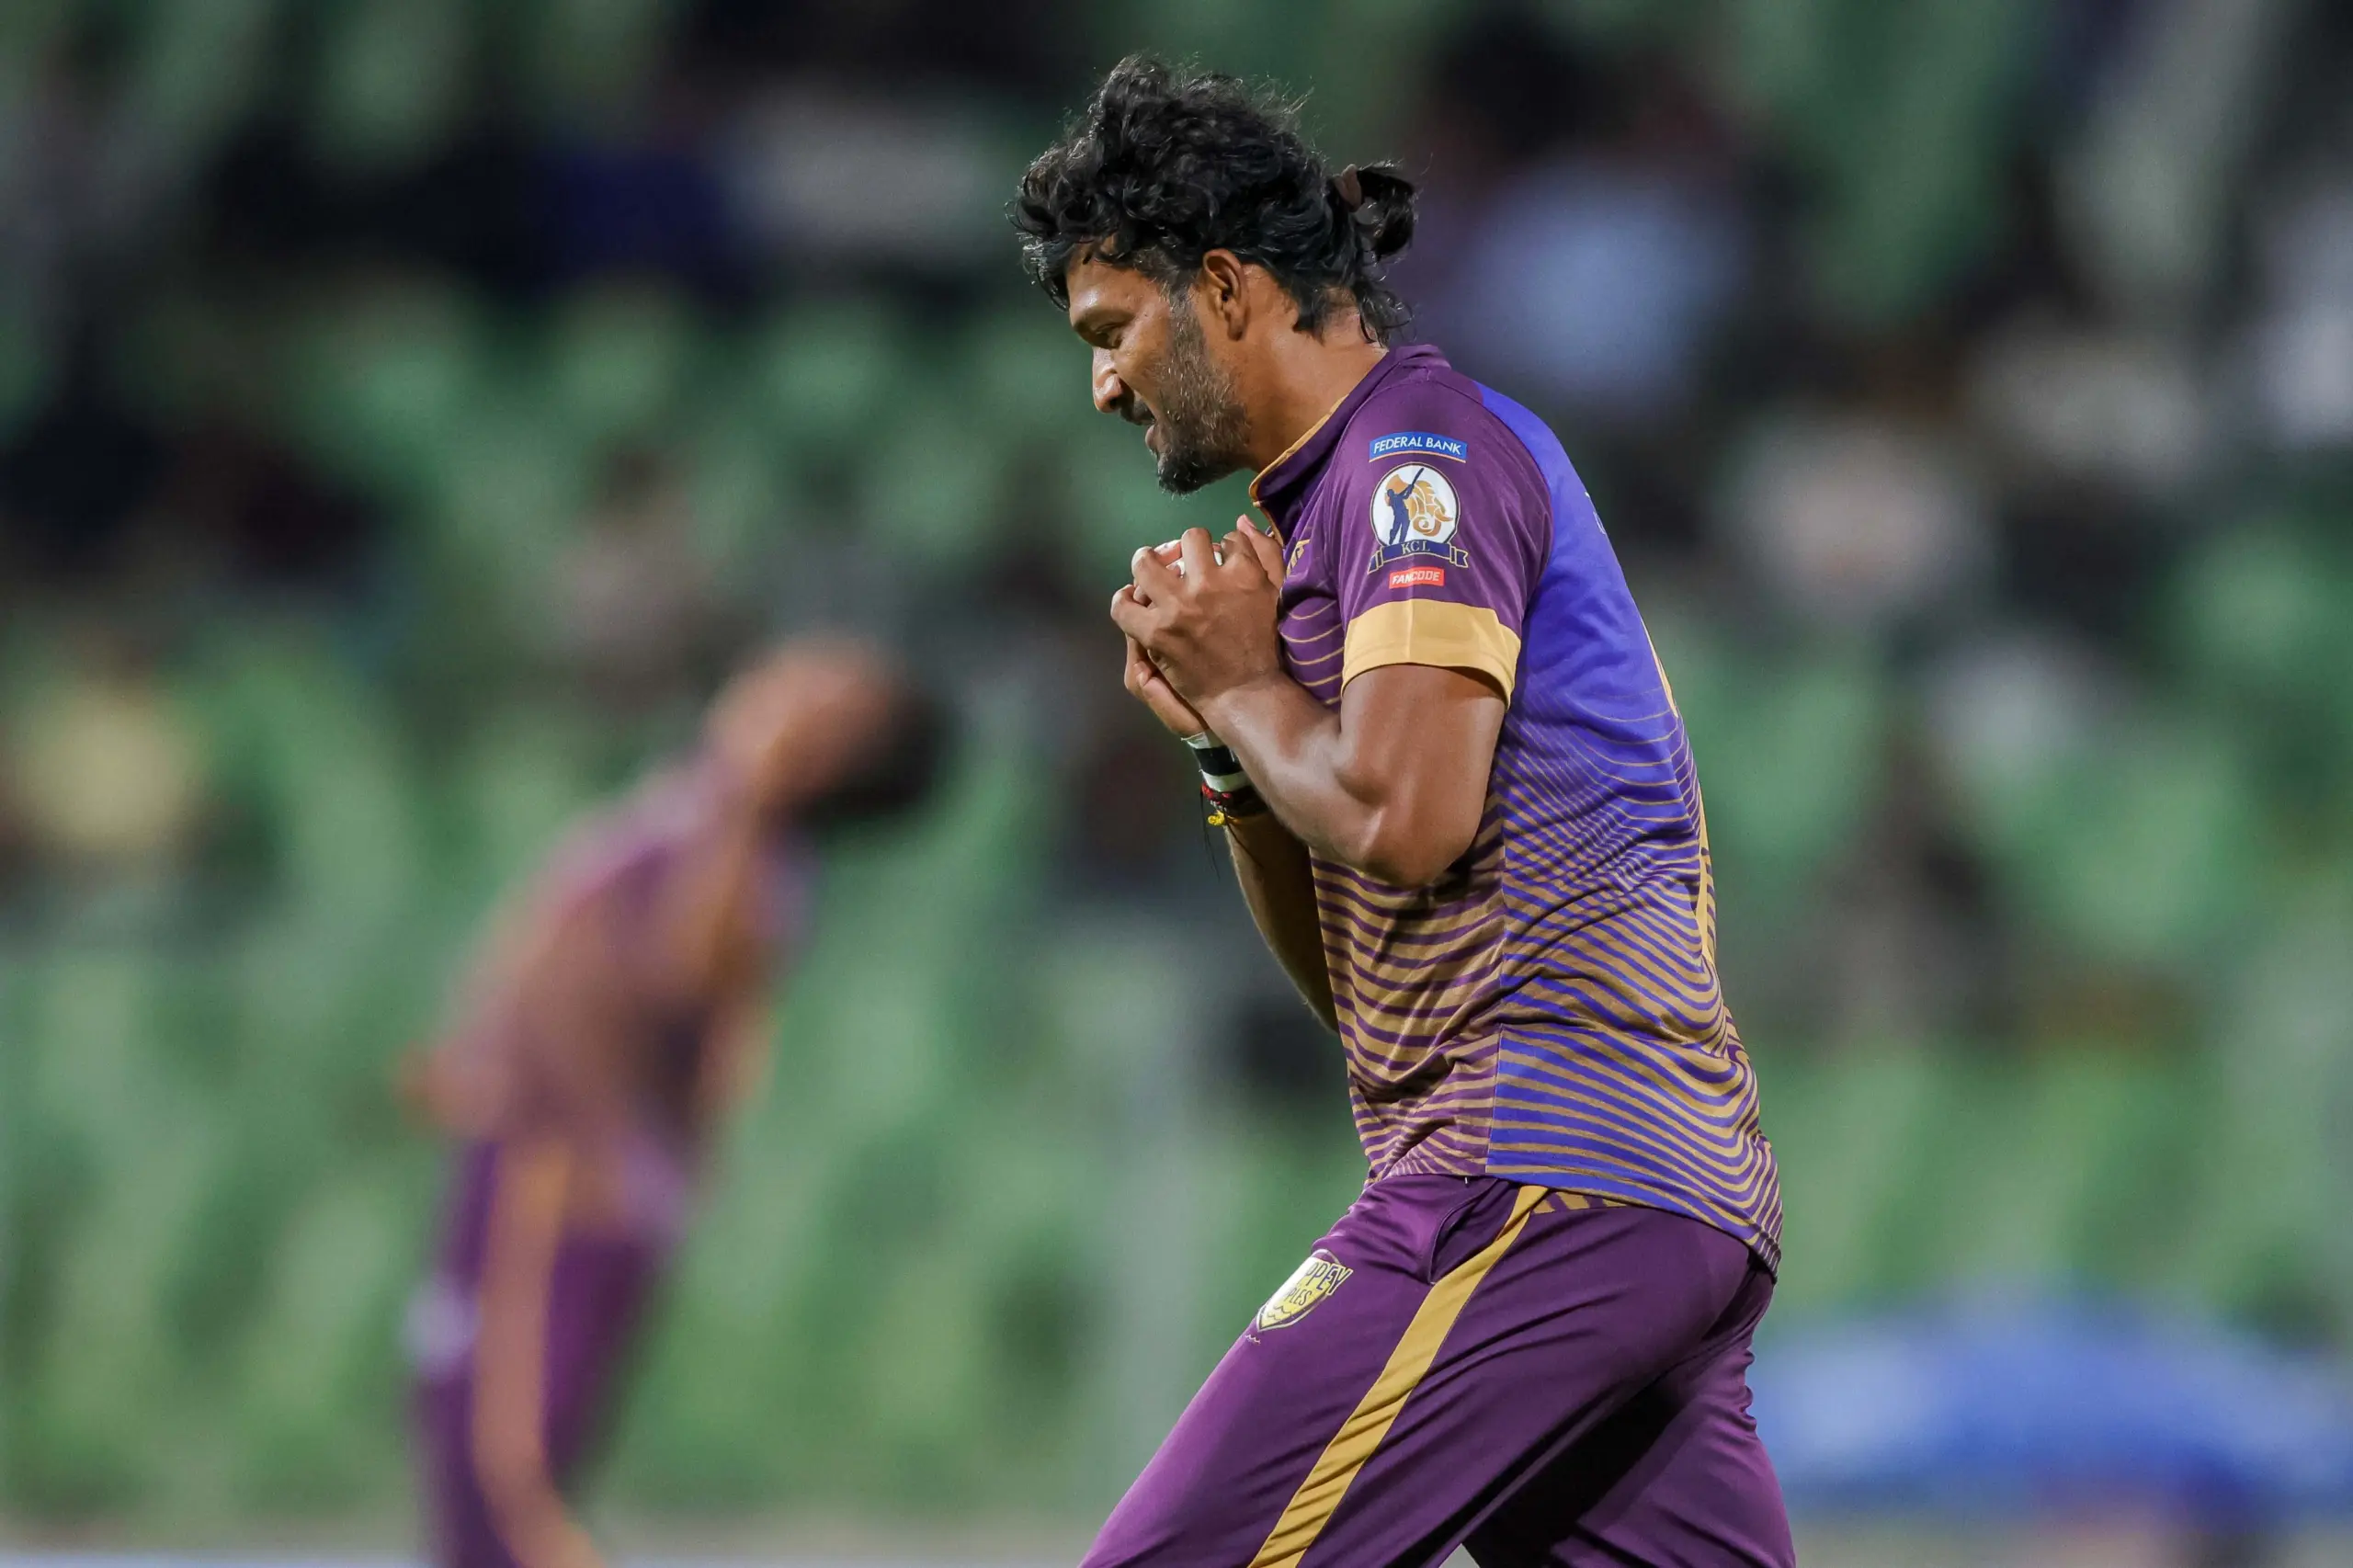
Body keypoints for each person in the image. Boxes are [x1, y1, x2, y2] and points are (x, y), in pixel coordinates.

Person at [1013, 58, 1789, 1568]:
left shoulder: (1411, 461)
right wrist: (1231, 750)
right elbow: (1364, 987)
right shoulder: (1332, 507)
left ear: (1224, 288)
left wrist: (1247, 686)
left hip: (1540, 1173)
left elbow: (1409, 817)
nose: (1102, 385)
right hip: (1647, 1198)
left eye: (1113, 331)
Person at [400, 640, 945, 1568]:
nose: (786, 671)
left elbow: (681, 975)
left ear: (828, 758)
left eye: (825, 693)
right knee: (468, 1454)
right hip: (526, 1157)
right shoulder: (699, 810)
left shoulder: (751, 855)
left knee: (507, 1491)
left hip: (567, 1176)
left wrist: (752, 800)